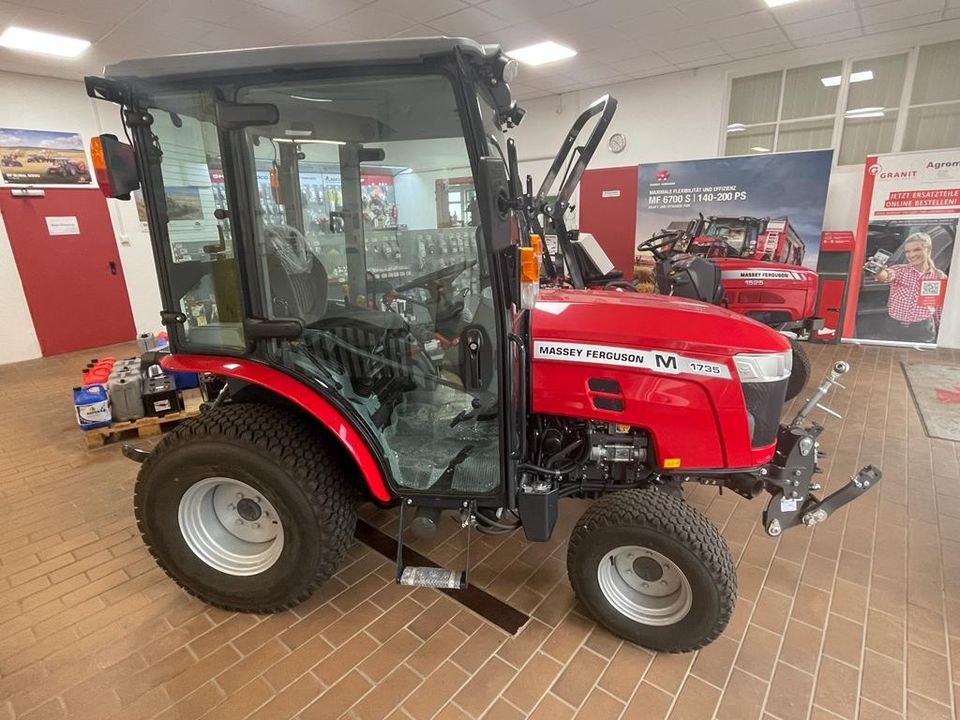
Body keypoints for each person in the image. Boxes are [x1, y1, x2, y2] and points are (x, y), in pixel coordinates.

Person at [874, 231, 947, 343]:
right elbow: (886, 276)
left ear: (927, 249)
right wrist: (878, 271)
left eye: (916, 249)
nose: (911, 255)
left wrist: (941, 329)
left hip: (923, 329)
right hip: (893, 327)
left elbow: (938, 307)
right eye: (907, 251)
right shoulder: (899, 270)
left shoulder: (939, 276)